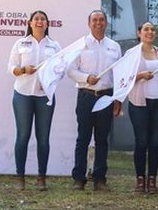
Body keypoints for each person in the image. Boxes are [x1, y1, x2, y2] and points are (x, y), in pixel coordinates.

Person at [67, 10, 122, 191]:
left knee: (102, 140)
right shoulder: (80, 45)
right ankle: (79, 179)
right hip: (86, 96)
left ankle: (100, 179)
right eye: (94, 20)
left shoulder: (114, 46)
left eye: (101, 20)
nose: (98, 23)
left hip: (106, 97)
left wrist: (118, 99)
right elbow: (71, 71)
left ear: (106, 23)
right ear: (89, 23)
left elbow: (120, 75)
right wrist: (86, 78)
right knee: (83, 139)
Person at [7, 10, 62, 191]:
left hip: (44, 97)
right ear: (30, 23)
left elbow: (60, 71)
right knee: (23, 136)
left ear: (47, 24)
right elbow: (11, 68)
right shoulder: (21, 43)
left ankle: (41, 178)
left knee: (43, 138)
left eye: (43, 19)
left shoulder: (54, 46)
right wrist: (23, 70)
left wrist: (48, 83)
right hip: (22, 95)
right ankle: (20, 177)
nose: (39, 22)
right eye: (36, 19)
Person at [126, 21, 158, 194]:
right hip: (139, 103)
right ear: (139, 33)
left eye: (152, 29)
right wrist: (139, 75)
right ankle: (140, 179)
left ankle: (152, 179)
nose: (150, 32)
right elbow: (124, 77)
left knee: (155, 142)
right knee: (141, 141)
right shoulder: (131, 53)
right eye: (146, 29)